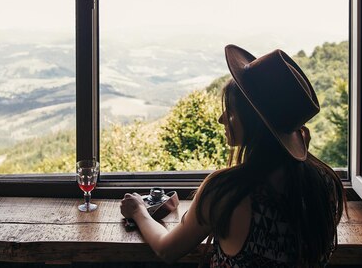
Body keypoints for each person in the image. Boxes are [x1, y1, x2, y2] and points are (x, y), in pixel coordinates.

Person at [120, 44, 345, 267]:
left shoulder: (228, 191)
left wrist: (139, 210)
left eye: (232, 112)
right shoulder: (325, 183)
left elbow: (167, 249)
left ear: (254, 122)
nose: (221, 119)